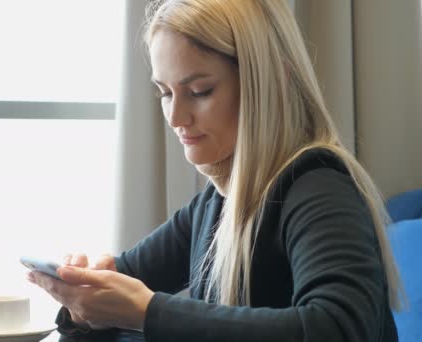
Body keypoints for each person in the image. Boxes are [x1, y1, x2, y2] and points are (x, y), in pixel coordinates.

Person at [28, 0, 405, 341]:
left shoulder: (318, 185)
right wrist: (84, 299)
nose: (175, 117)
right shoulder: (215, 204)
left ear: (271, 83)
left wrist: (147, 312)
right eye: (165, 93)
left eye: (200, 91)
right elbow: (123, 278)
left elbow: (337, 328)